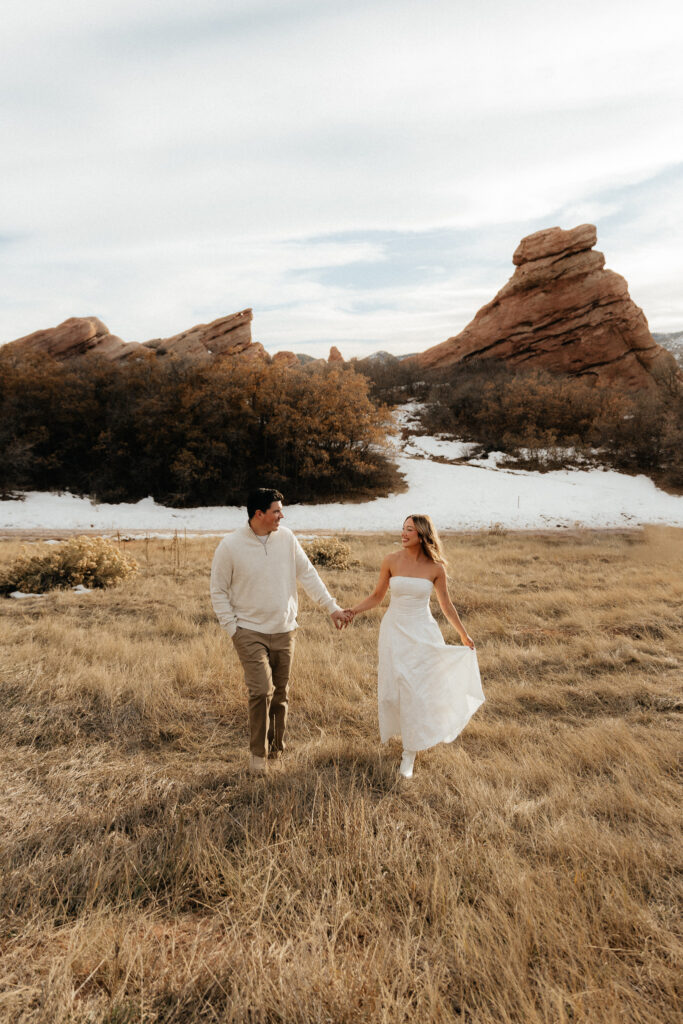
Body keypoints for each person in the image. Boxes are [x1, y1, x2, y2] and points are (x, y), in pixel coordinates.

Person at [210, 487, 351, 772]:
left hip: (285, 629)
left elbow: (308, 575)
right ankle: (257, 757)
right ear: (259, 514)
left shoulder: (286, 538)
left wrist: (332, 607)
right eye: (276, 511)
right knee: (261, 690)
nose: (281, 516)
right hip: (248, 630)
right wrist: (233, 629)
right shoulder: (230, 546)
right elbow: (218, 590)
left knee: (280, 693)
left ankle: (276, 750)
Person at [345, 514, 484, 779]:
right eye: (403, 528)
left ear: (421, 535)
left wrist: (463, 635)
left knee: (416, 689)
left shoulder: (436, 568)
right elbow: (376, 597)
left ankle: (409, 753)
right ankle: (404, 736)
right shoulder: (390, 560)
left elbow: (446, 605)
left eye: (409, 530)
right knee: (395, 689)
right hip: (394, 631)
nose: (403, 533)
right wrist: (352, 611)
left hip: (423, 632)